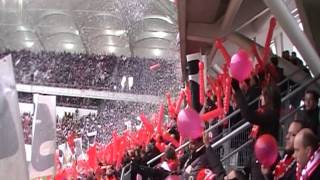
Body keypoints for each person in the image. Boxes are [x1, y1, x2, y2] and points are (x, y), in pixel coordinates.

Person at [231, 79, 281, 180]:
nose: (260, 97)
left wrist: (237, 90)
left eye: (262, 95)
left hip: (263, 160)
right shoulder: (270, 113)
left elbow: (249, 115)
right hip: (259, 157)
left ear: (268, 97)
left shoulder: (270, 114)